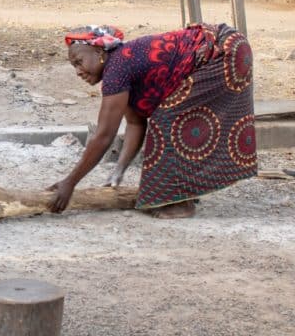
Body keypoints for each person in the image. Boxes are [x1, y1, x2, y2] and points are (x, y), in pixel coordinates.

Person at [48, 23, 257, 218]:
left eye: (79, 62)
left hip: (223, 52)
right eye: (73, 66)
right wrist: (118, 172)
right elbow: (135, 123)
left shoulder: (116, 70)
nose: (77, 71)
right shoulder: (123, 65)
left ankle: (179, 204)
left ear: (99, 52)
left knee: (168, 120)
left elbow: (103, 136)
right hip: (231, 47)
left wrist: (70, 183)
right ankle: (183, 193)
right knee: (174, 117)